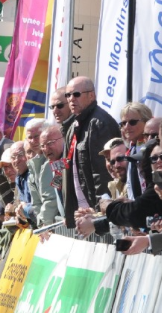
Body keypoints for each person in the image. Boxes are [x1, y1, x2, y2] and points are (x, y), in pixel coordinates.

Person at [61, 76, 120, 227]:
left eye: (76, 94)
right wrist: (69, 213)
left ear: (91, 95)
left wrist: (100, 212)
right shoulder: (73, 125)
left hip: (96, 214)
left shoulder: (99, 123)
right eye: (68, 95)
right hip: (82, 213)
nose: (71, 99)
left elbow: (103, 172)